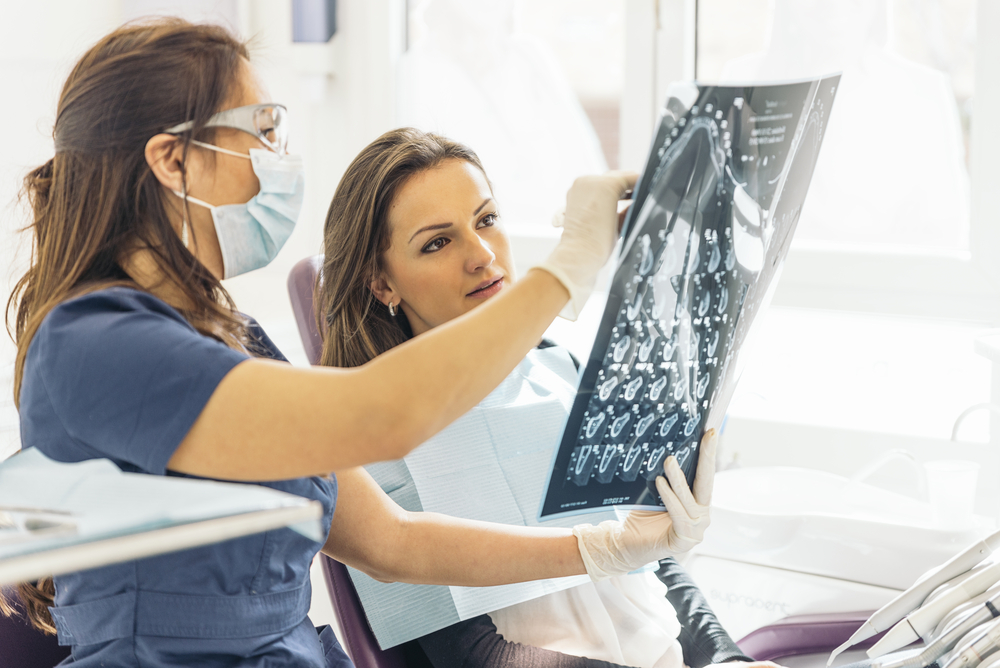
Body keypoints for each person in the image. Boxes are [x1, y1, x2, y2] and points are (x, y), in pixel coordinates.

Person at [4, 18, 706, 668]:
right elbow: (384, 414)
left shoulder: (228, 339)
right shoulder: (97, 344)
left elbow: (393, 543)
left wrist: (613, 546)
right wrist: (569, 266)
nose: (281, 158)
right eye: (264, 129)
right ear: (171, 160)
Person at [316, 128, 755, 668]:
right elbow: (476, 656)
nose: (481, 255)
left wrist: (728, 659)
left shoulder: (558, 370)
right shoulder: (382, 439)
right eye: (437, 242)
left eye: (486, 220)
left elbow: (651, 557)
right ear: (382, 284)